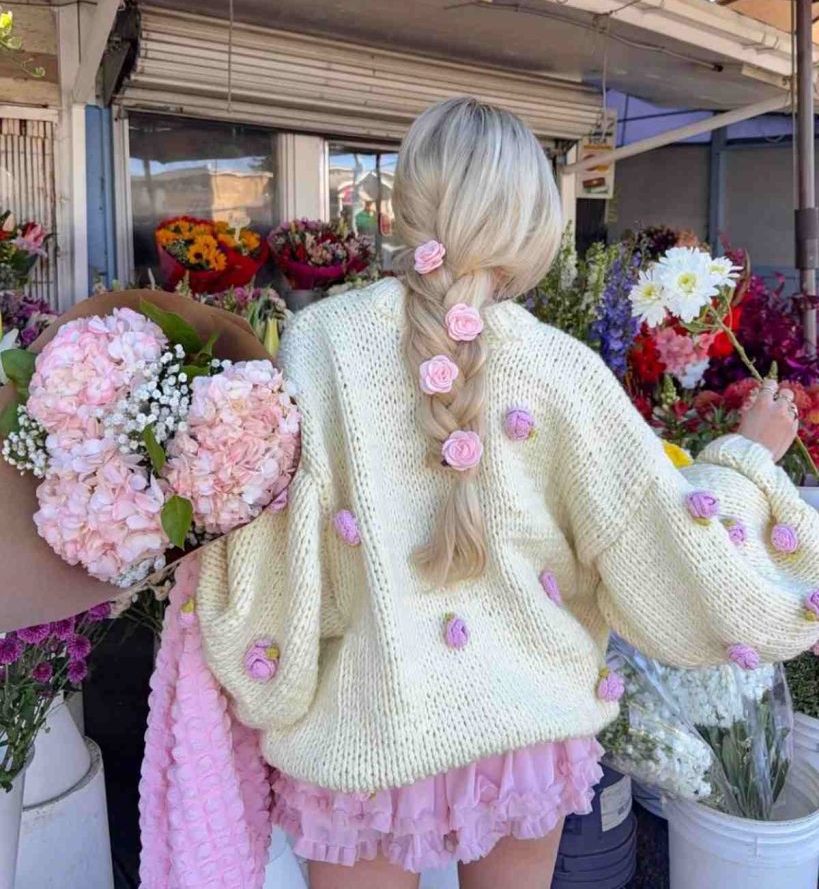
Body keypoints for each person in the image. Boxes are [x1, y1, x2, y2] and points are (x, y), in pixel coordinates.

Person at [195, 97, 819, 889]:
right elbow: (667, 536)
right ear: (531, 222)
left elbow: (267, 547)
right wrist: (744, 459)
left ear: (406, 203)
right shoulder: (561, 368)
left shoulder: (320, 344)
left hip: (364, 719)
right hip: (524, 720)